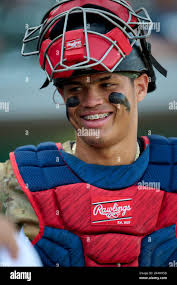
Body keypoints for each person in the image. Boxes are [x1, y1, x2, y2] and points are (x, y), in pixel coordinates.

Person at [0, 0, 176, 267]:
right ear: (62, 93)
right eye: (75, 88)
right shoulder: (19, 178)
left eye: (107, 84)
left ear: (140, 87)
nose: (91, 100)